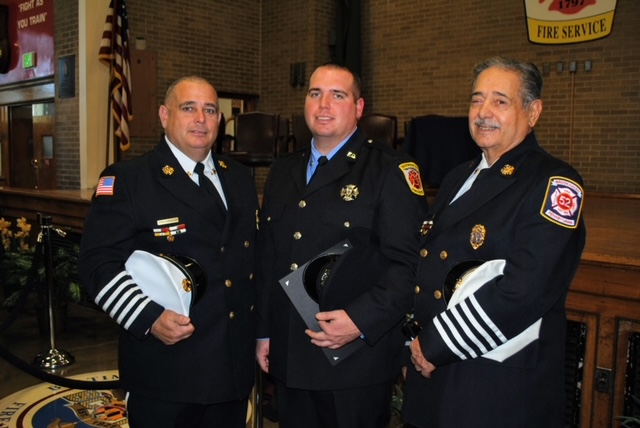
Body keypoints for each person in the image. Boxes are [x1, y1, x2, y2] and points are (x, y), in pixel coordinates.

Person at [402, 57, 587, 428]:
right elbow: (427, 265)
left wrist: (432, 344)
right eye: (476, 100)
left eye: (500, 101)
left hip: (495, 386)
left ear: (533, 112)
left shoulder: (553, 182)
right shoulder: (457, 177)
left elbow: (525, 289)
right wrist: (412, 346)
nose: (483, 112)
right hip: (435, 372)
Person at [78, 76, 259, 428]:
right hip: (165, 369)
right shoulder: (128, 180)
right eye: (188, 108)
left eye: (210, 110)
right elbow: (96, 263)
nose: (200, 119)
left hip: (231, 369)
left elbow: (249, 263)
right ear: (164, 115)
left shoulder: (239, 177)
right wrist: (147, 318)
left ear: (220, 122)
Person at [255, 63, 428, 428]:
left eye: (338, 95)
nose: (323, 105)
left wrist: (360, 321)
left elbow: (409, 267)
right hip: (290, 354)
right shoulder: (283, 171)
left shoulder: (389, 170)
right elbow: (270, 258)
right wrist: (265, 332)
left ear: (359, 107)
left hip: (355, 362)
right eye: (315, 93)